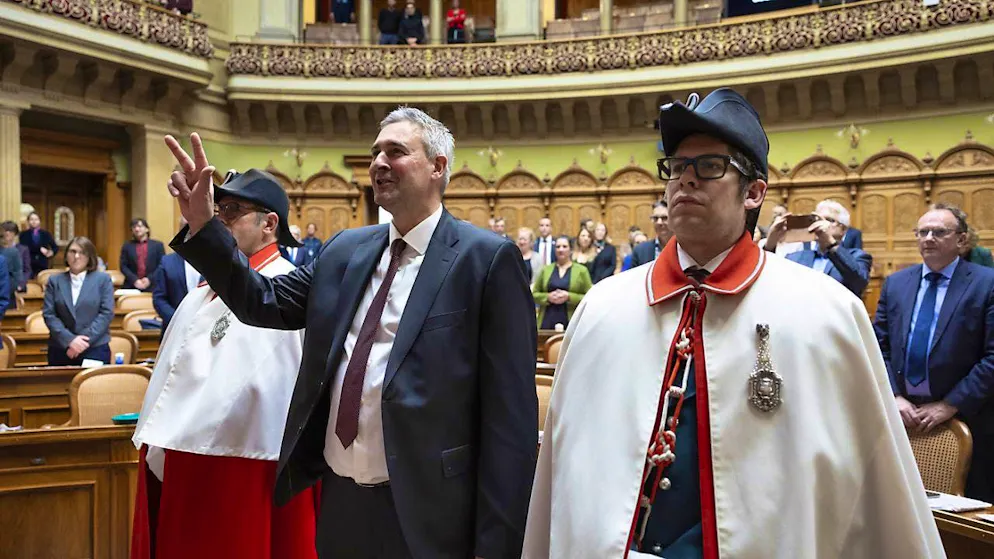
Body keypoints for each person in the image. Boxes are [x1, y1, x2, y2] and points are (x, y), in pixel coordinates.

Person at [524, 88, 943, 558]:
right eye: (677, 167)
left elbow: (873, 491)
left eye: (709, 166)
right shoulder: (603, 308)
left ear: (755, 192)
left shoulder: (826, 315)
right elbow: (566, 474)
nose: (686, 179)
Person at [164, 107, 537, 559]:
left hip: (432, 509)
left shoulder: (486, 259)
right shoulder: (346, 250)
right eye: (375, 152)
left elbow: (510, 421)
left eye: (396, 151)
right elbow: (262, 300)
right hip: (342, 502)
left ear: (438, 166)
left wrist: (497, 545)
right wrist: (205, 226)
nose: (379, 162)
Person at [132, 171, 318, 559]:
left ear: (269, 223)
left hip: (248, 468)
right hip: (187, 460)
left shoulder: (284, 289)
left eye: (232, 210)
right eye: (217, 210)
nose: (220, 219)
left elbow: (279, 391)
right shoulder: (201, 291)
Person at [874, 203, 994, 502]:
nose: (928, 238)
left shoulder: (986, 283)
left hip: (967, 418)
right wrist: (893, 395)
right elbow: (878, 346)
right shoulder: (896, 283)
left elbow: (992, 356)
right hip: (903, 416)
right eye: (922, 232)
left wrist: (950, 404)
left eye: (939, 232)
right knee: (897, 502)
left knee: (964, 510)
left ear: (961, 239)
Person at [41, 236, 114, 366]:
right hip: (61, 348)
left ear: (90, 256)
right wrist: (70, 340)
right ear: (66, 255)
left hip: (94, 347)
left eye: (82, 252)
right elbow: (49, 314)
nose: (76, 256)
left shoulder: (103, 280)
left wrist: (82, 342)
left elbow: (106, 313)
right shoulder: (55, 281)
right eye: (73, 251)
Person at [778, 199, 873, 297]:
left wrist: (830, 243)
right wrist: (771, 241)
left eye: (829, 220)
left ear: (843, 229)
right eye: (818, 219)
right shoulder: (794, 257)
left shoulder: (858, 256)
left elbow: (859, 283)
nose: (821, 224)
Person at [533, 235, 592, 331]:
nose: (561, 250)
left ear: (571, 250)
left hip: (571, 320)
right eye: (558, 247)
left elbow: (590, 298)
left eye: (564, 246)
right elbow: (534, 294)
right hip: (547, 319)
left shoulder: (581, 271)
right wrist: (548, 297)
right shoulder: (546, 270)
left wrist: (569, 296)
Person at [120, 218, 166, 291]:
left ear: (147, 229)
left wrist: (149, 279)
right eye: (134, 227)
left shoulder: (158, 245)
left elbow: (161, 265)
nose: (137, 229)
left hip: (153, 285)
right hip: (132, 285)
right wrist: (135, 280)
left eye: (139, 226)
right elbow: (123, 266)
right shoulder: (127, 246)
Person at [629, 201, 671, 268]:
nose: (659, 222)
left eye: (664, 218)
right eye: (655, 218)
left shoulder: (685, 248)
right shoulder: (640, 250)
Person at [20, 211, 58, 278]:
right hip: (29, 264)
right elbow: (23, 248)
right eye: (32, 219)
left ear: (39, 221)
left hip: (42, 264)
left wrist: (50, 252)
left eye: (36, 219)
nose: (34, 221)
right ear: (28, 221)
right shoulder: (23, 235)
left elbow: (55, 247)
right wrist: (40, 248)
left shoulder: (46, 234)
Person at [2, 221, 30, 292]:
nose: (7, 233)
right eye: (5, 230)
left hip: (17, 286)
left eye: (10, 231)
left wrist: (20, 285)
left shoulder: (23, 249)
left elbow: (27, 270)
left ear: (15, 233)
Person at [0, 221, 23, 299]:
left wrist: (16, 286)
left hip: (7, 289)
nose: (7, 233)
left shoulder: (13, 251)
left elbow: (17, 272)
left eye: (10, 231)